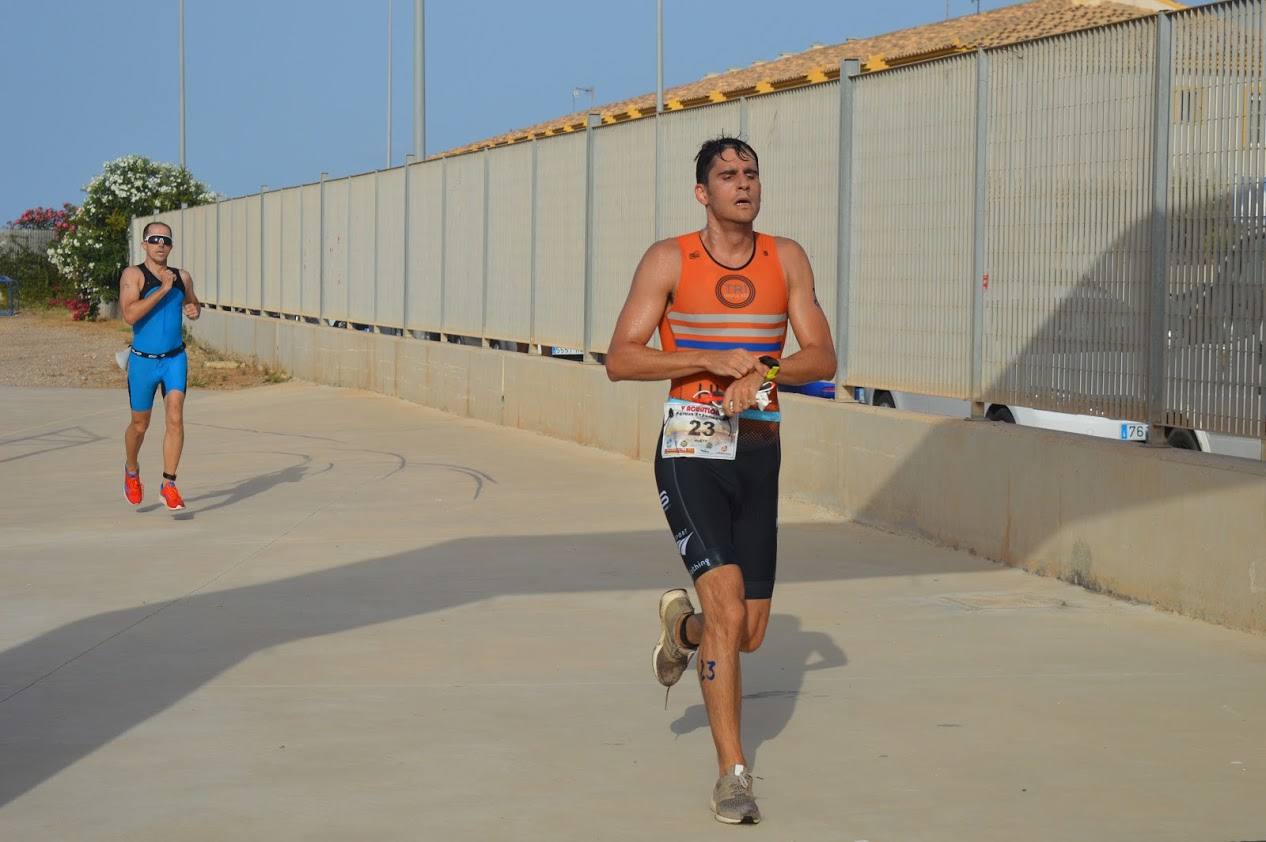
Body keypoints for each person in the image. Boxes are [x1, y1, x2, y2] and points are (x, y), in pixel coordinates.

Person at [605, 137, 836, 824]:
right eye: (728, 176)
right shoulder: (669, 259)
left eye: (752, 174)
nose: (744, 185)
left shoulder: (785, 258)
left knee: (748, 631)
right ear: (702, 193)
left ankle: (684, 632)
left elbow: (823, 353)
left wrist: (763, 372)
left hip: (759, 448)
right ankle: (733, 775)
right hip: (690, 449)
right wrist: (707, 359)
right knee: (731, 613)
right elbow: (620, 357)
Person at [119, 221, 201, 510]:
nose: (160, 244)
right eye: (154, 239)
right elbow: (129, 315)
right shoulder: (134, 275)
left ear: (171, 246)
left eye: (165, 240)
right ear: (144, 245)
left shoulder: (183, 277)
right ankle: (131, 469)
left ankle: (169, 483)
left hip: (174, 359)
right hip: (143, 362)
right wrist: (162, 290)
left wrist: (193, 309)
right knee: (140, 425)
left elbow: (193, 304)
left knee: (176, 417)